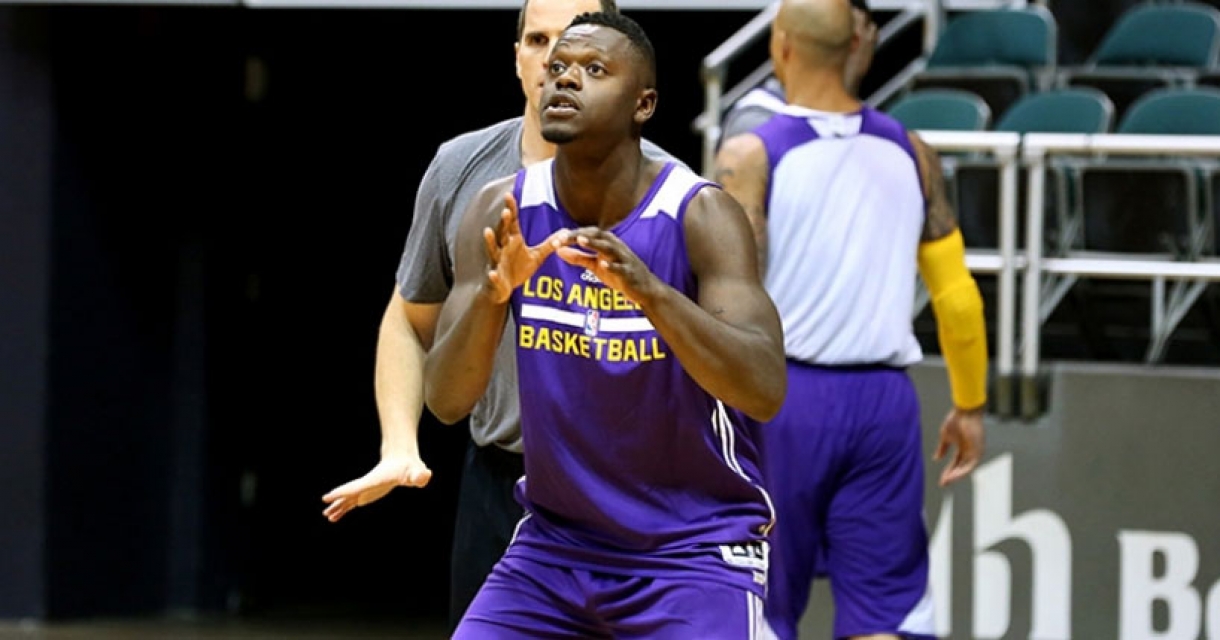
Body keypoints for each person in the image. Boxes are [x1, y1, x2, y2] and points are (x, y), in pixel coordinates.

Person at [318, 0, 679, 631]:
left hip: (622, 489)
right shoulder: (463, 169)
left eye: (577, 42)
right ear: (516, 59)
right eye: (538, 42)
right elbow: (410, 317)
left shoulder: (671, 192)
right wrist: (399, 443)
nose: (557, 62)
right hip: (500, 477)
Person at [425, 11, 788, 638]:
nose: (565, 80)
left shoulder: (699, 215)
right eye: (558, 68)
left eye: (594, 70)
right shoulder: (500, 208)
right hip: (554, 548)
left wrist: (651, 293)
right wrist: (492, 296)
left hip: (690, 551)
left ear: (643, 104)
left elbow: (764, 388)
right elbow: (447, 401)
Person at [713, 0, 988, 638]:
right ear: (858, 48)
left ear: (781, 46)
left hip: (782, 402)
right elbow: (957, 297)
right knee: (885, 611)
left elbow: (722, 301)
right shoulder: (913, 152)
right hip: (884, 406)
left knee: (759, 610)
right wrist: (970, 404)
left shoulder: (749, 156)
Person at [719, 0, 877, 143]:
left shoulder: (875, 127)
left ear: (869, 40)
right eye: (826, 39)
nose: (840, 52)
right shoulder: (756, 118)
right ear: (785, 46)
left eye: (847, 41)